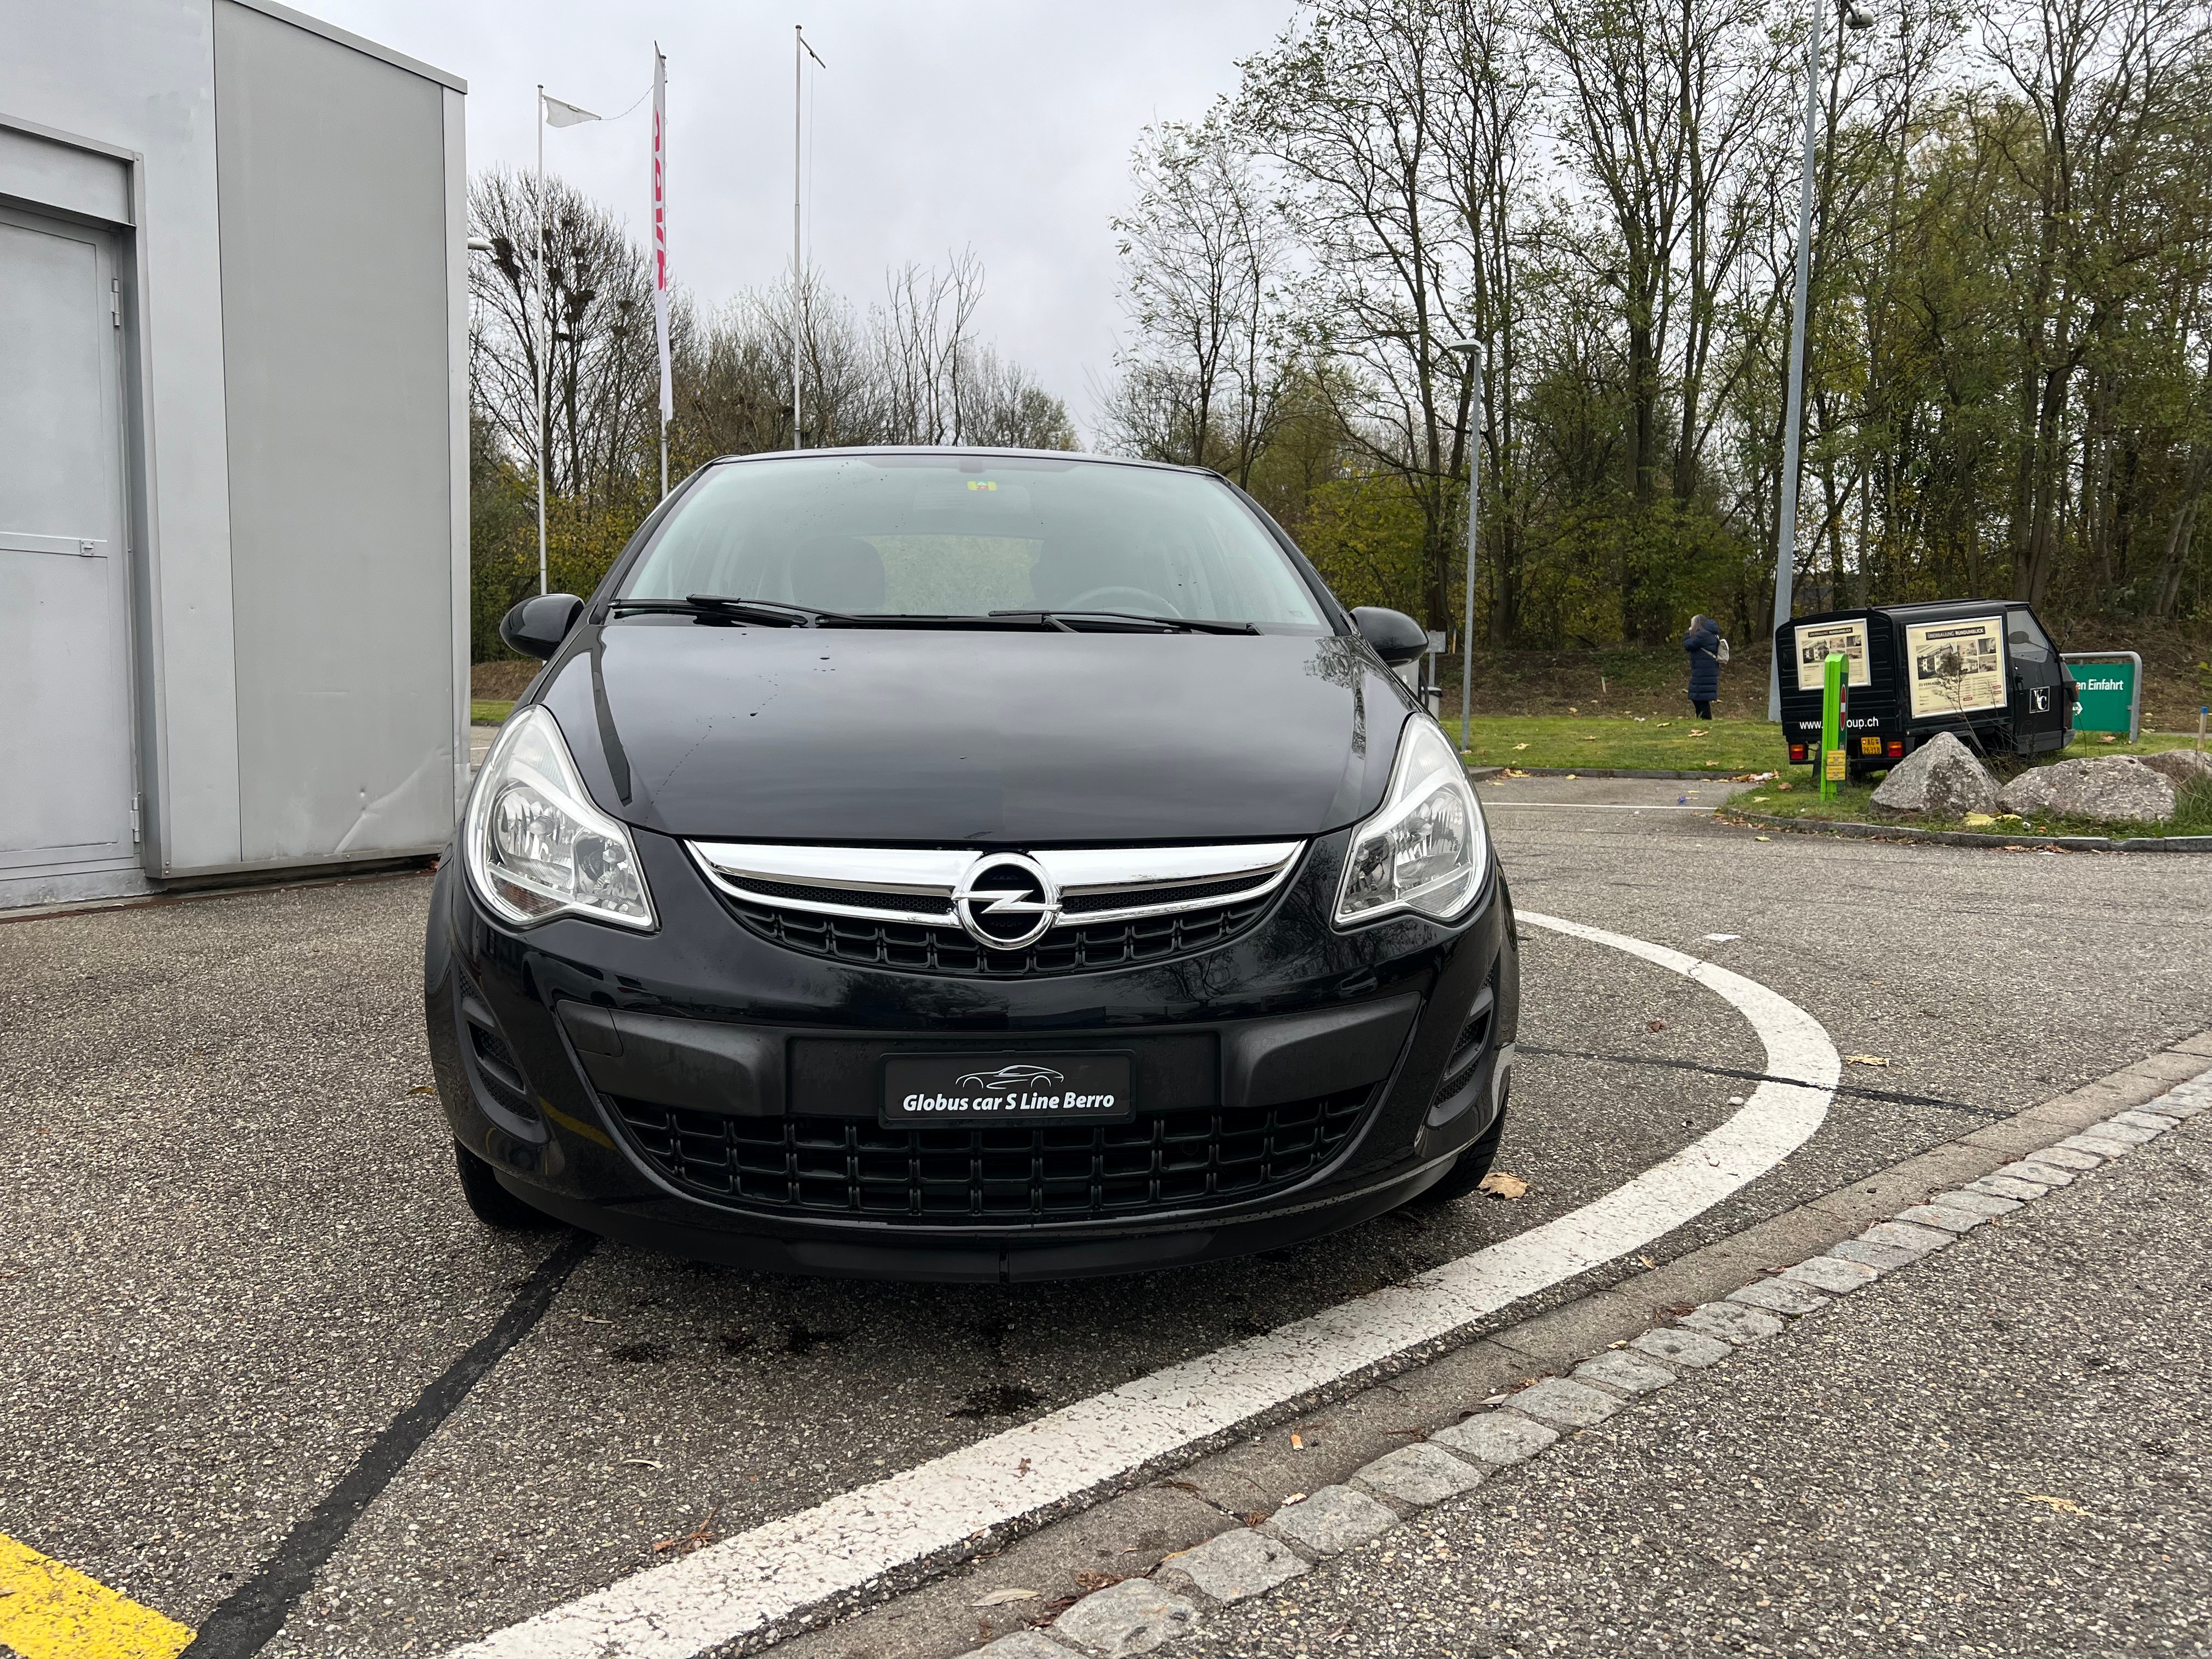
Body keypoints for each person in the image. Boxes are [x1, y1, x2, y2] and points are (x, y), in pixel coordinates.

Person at [1684, 613, 1723, 720]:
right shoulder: (1711, 634)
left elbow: (1688, 645)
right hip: (1707, 669)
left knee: (1699, 696)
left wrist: (1688, 632)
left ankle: (1705, 719)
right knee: (1700, 696)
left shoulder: (1703, 635)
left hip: (1703, 670)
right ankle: (1702, 719)